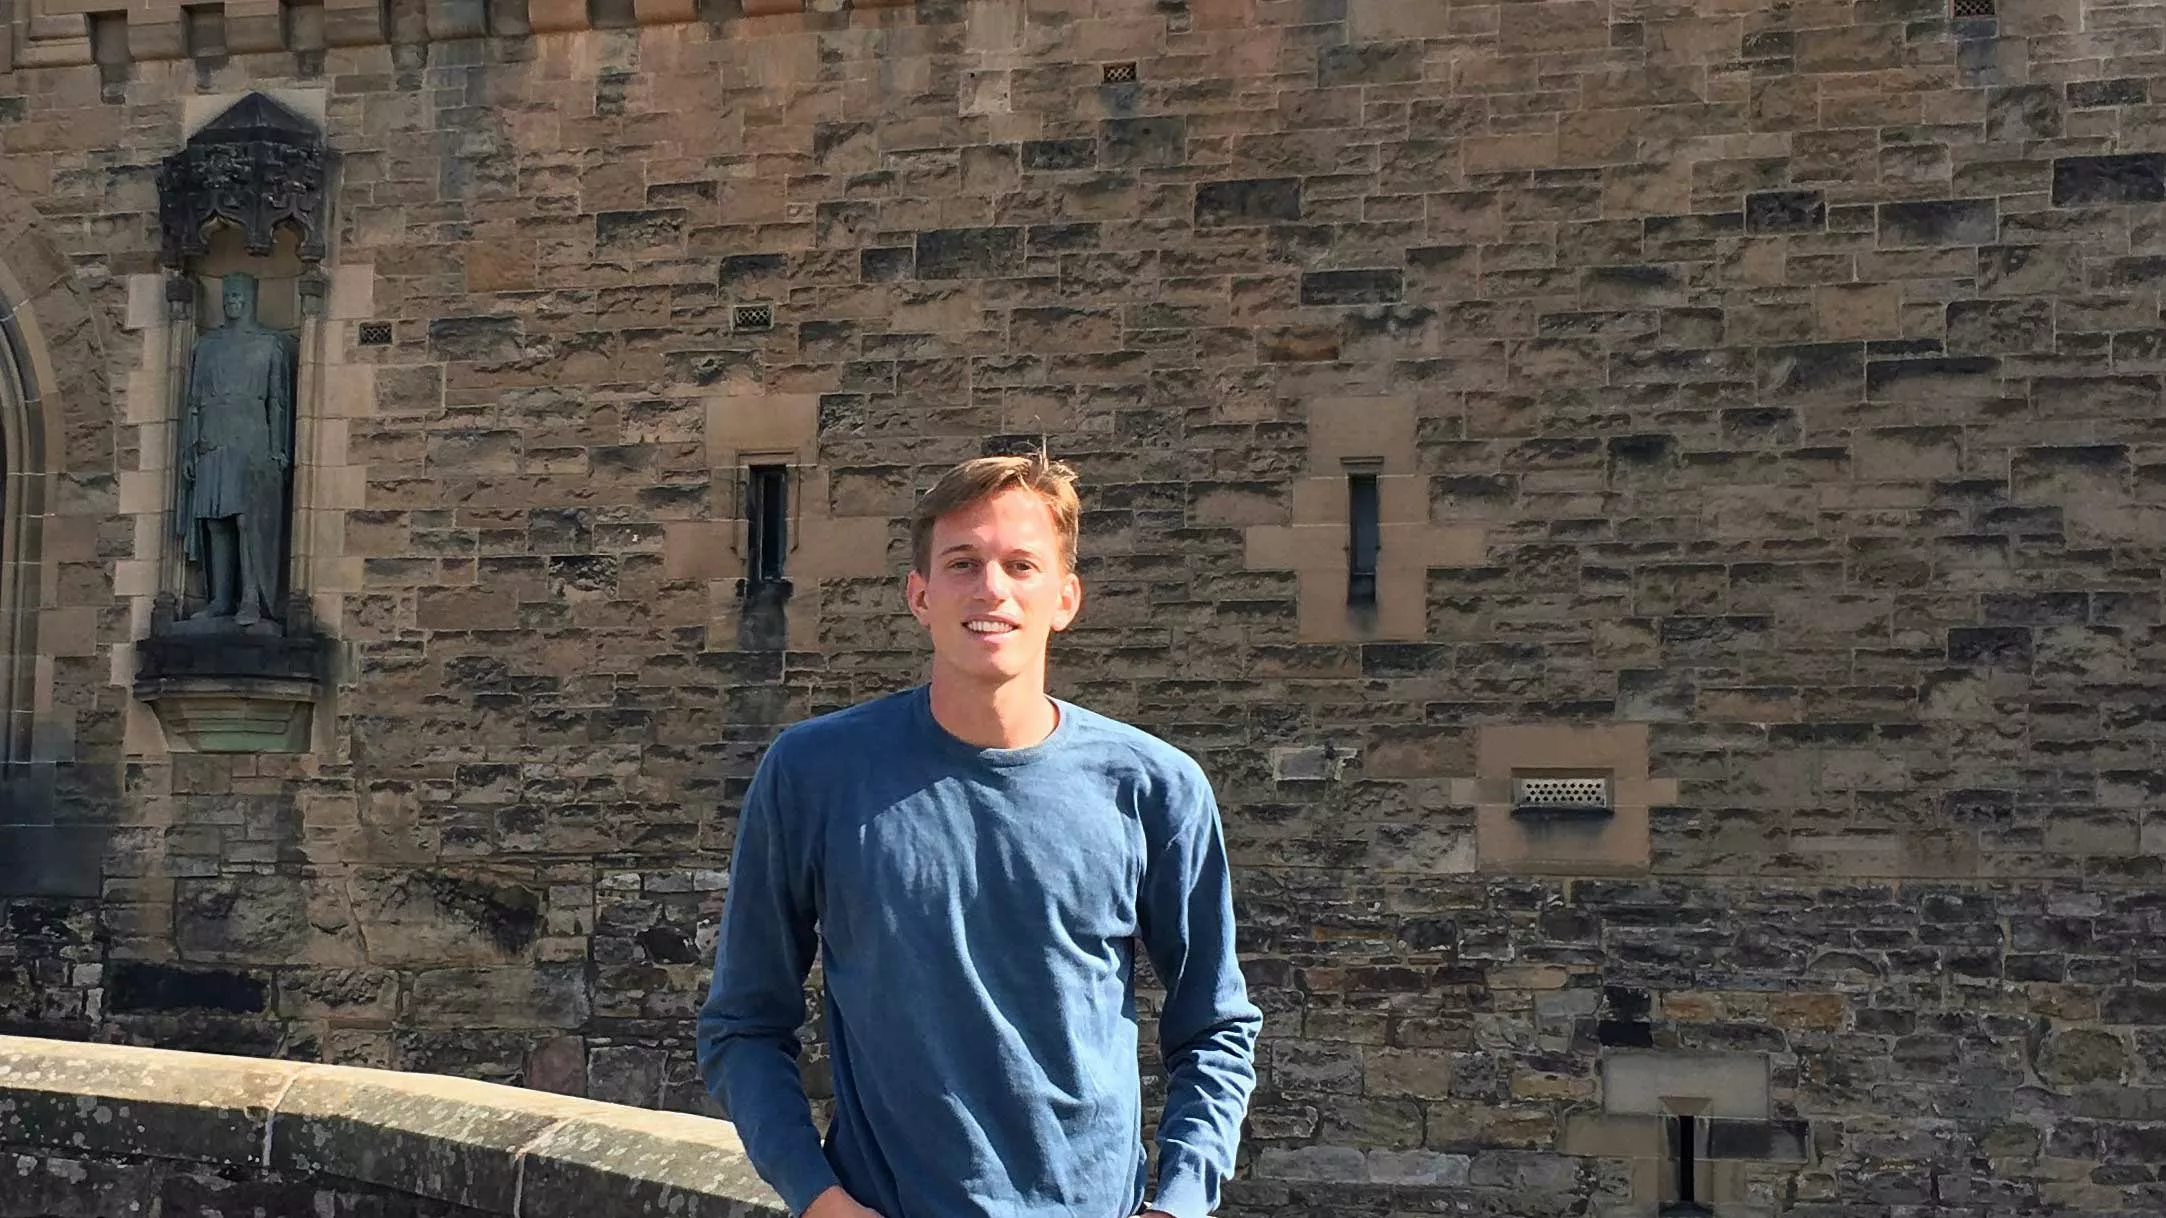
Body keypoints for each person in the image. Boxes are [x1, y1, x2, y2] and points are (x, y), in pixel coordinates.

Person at [697, 453, 1262, 1218]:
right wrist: (818, 1198)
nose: (991, 588)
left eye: (1021, 565)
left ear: (1065, 598)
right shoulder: (814, 774)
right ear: (920, 595)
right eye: (962, 563)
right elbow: (742, 1025)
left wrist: (1182, 1199)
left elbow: (1216, 1025)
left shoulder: (1154, 788)